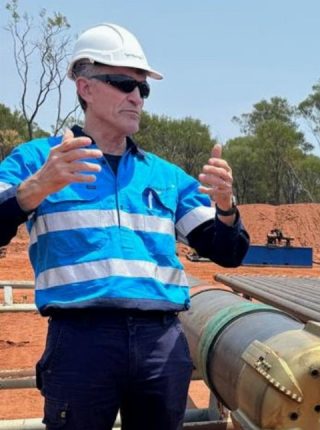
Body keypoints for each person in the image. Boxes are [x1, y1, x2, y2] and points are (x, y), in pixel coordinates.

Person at [0, 23, 250, 430]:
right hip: (81, 340)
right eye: (123, 84)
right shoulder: (37, 161)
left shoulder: (166, 176)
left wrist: (226, 207)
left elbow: (227, 251)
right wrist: (36, 187)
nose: (137, 97)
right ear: (85, 88)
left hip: (160, 342)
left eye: (143, 88)